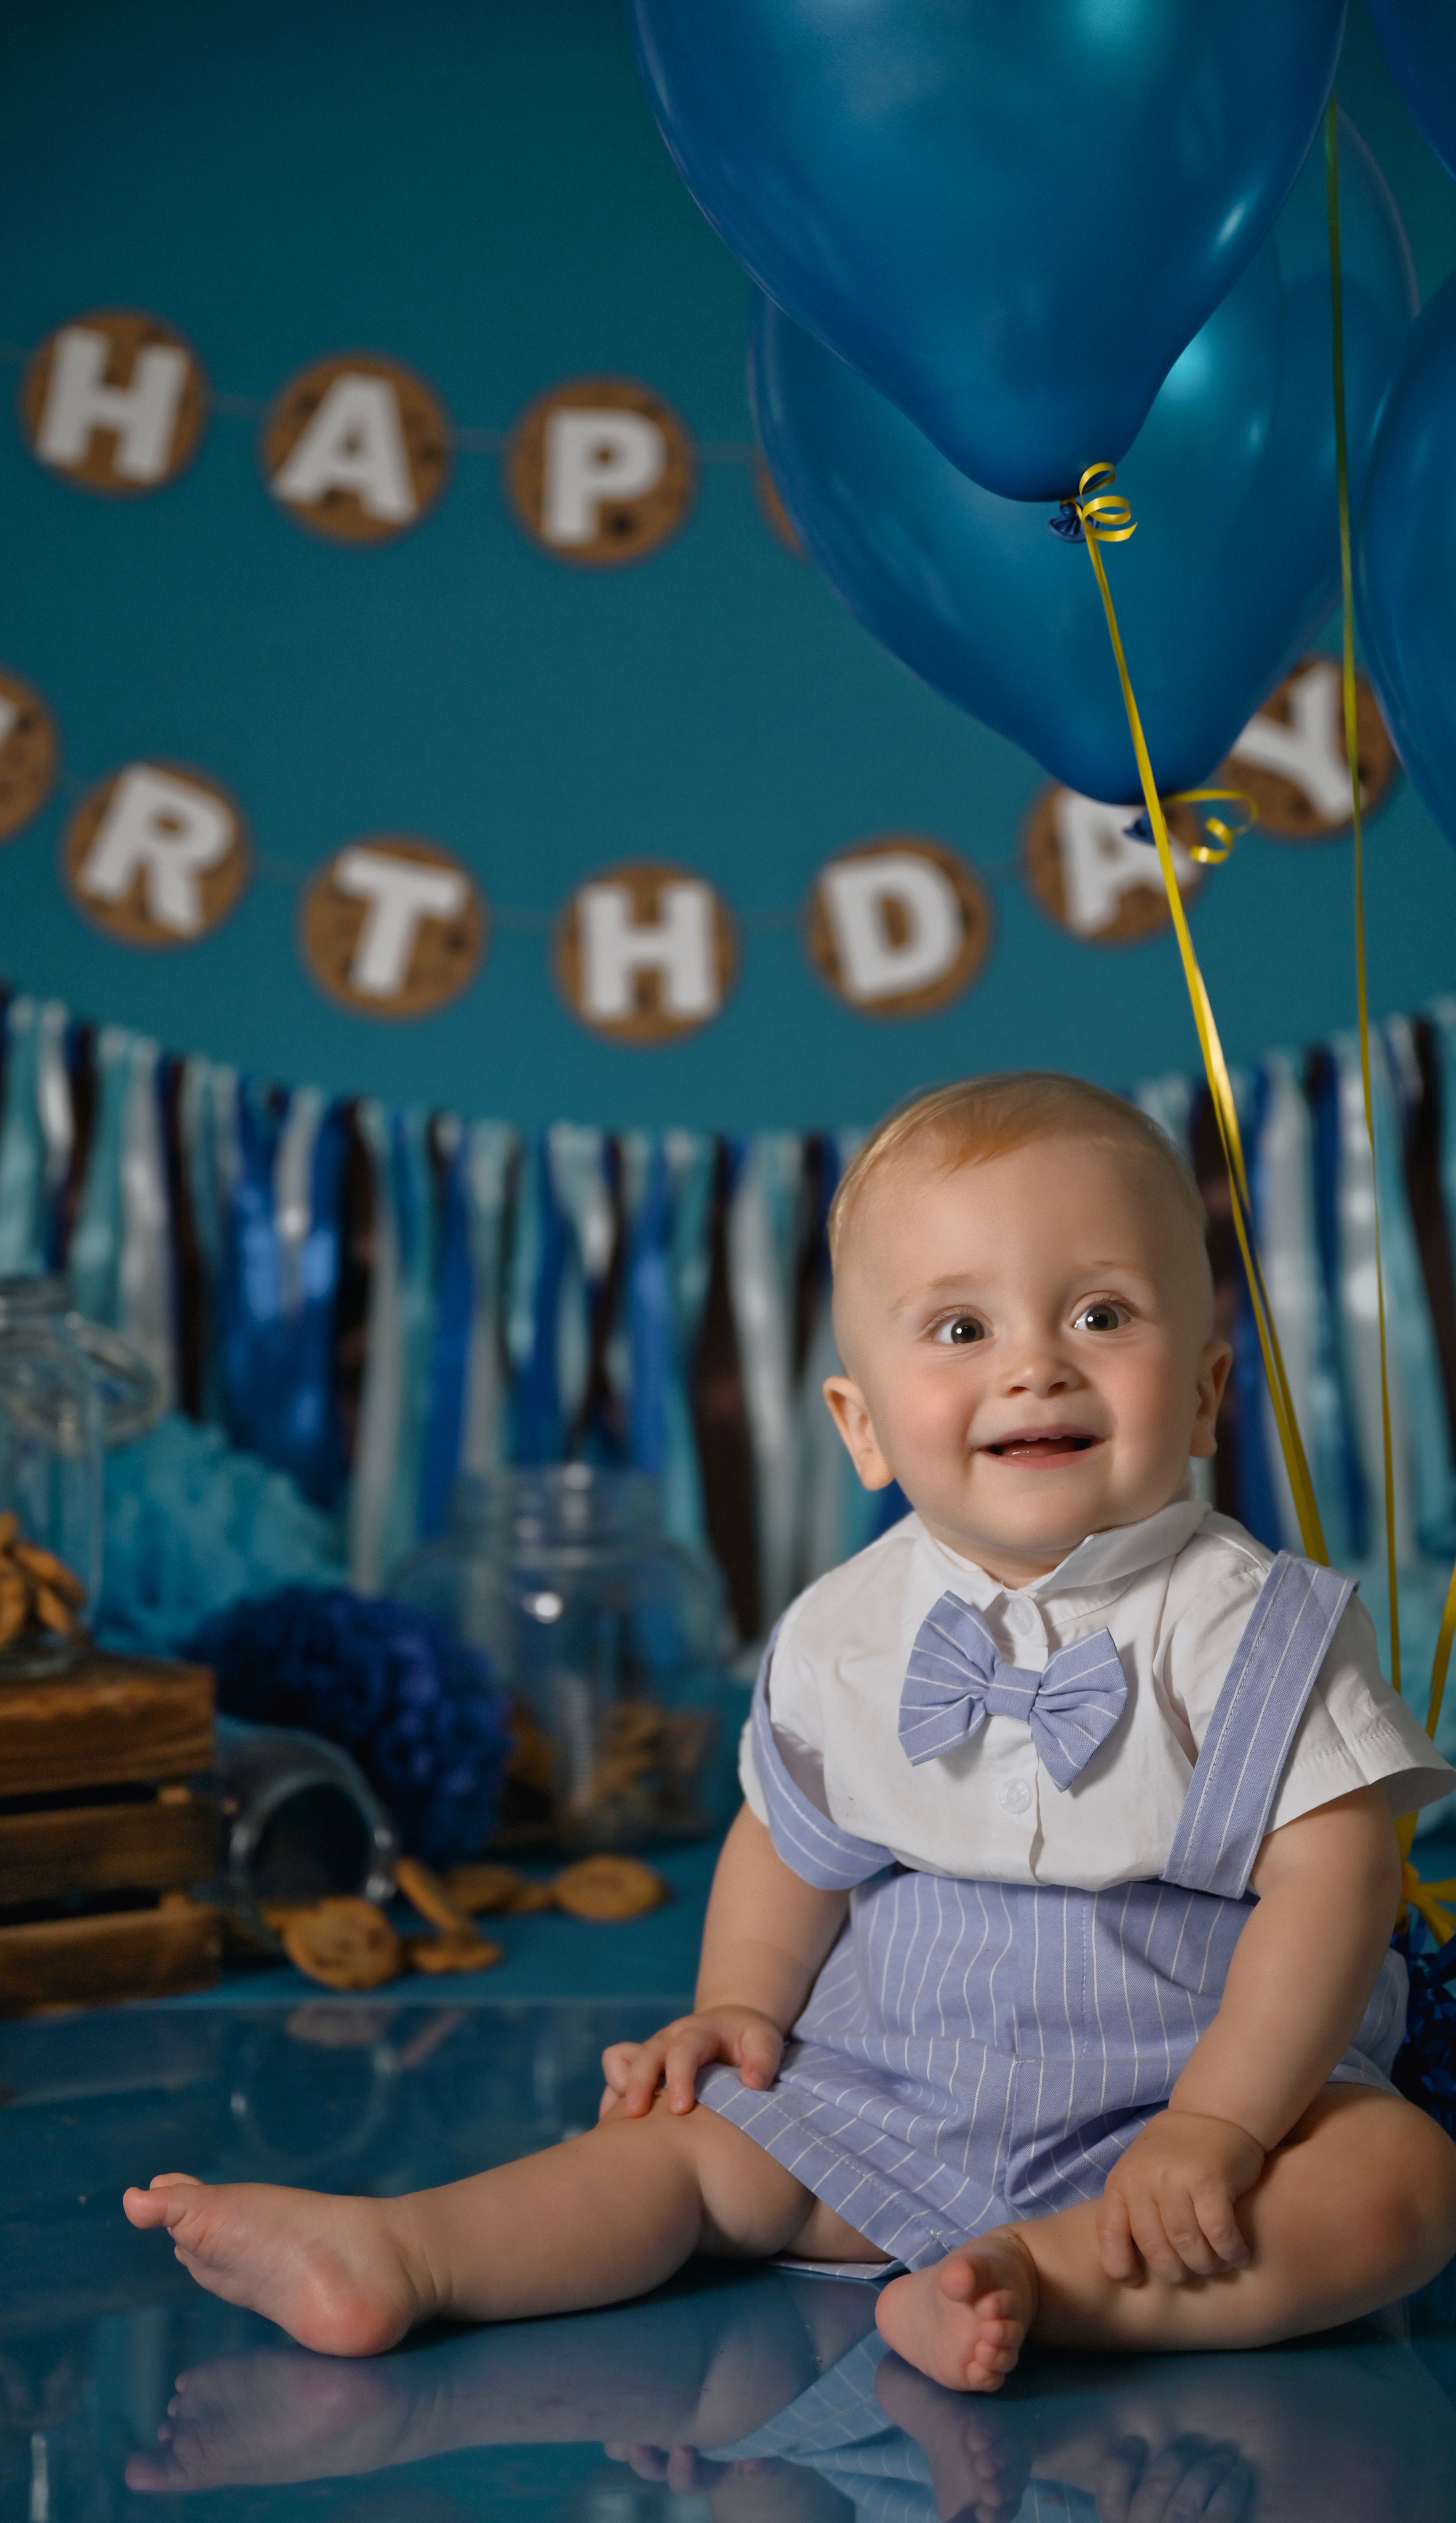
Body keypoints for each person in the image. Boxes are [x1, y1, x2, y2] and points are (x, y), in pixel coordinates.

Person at [124, 1072, 1456, 2393]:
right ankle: (408, 2250)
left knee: (1393, 2186)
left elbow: (1340, 1877)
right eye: (960, 1327)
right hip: (894, 2080)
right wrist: (739, 2007)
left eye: (1101, 1313)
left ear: (1210, 1391)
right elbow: (790, 1837)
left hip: (1198, 2085)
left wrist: (1219, 2118)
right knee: (683, 2149)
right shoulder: (842, 1629)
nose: (1036, 1363)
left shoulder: (1263, 1625)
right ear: (862, 1424)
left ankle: (1040, 2285)